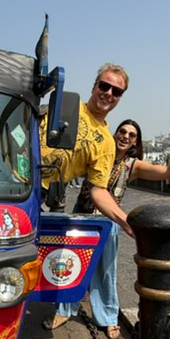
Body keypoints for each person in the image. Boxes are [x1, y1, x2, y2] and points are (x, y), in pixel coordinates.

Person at [44, 116, 170, 337]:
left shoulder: (131, 166)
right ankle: (64, 309)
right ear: (115, 134)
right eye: (123, 132)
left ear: (136, 143)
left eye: (131, 135)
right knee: (72, 265)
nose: (126, 136)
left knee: (106, 271)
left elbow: (168, 173)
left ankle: (107, 316)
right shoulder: (96, 154)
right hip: (82, 219)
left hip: (109, 222)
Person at [40, 64, 132, 236]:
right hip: (8, 179)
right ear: (94, 86)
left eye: (116, 91)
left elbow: (98, 191)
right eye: (104, 86)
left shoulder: (106, 143)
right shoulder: (64, 107)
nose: (109, 93)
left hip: (40, 197)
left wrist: (126, 222)